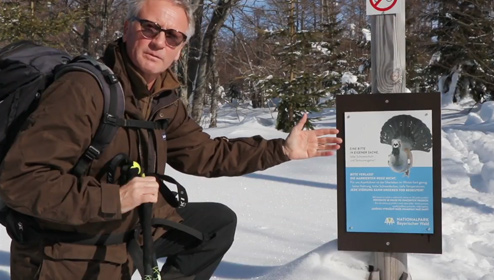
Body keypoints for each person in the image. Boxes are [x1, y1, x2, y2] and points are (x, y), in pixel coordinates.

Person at [0, 0, 342, 279]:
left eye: (173, 36)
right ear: (127, 28)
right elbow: (21, 180)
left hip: (126, 235)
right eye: (150, 28)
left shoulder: (160, 98)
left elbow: (204, 154)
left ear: (180, 48)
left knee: (214, 225)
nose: (159, 41)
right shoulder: (83, 90)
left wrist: (280, 149)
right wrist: (115, 199)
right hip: (66, 253)